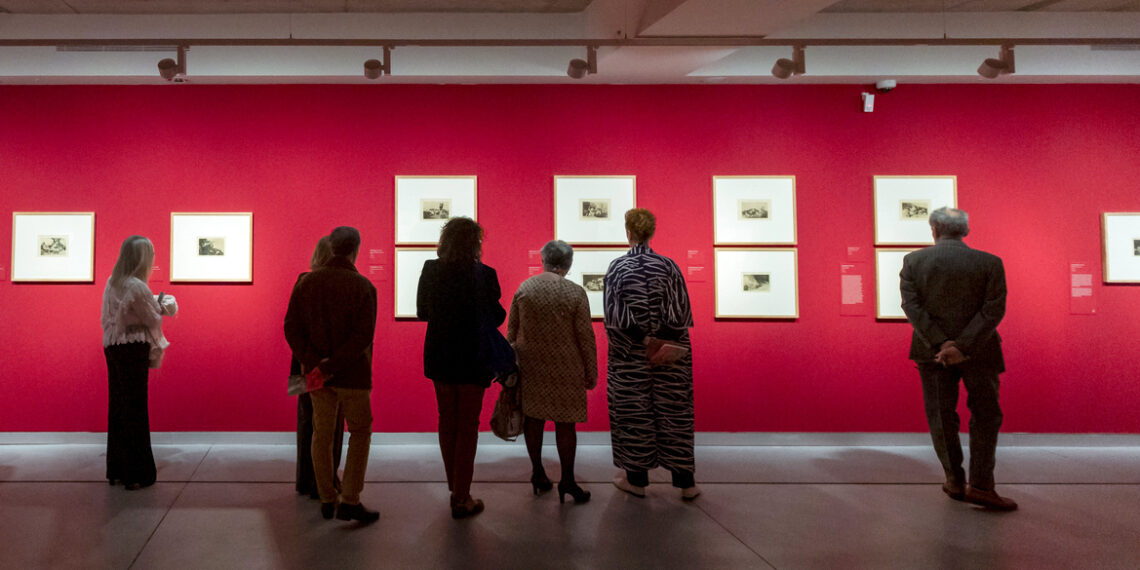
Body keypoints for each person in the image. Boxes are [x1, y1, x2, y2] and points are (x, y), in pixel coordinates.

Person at [900, 207, 1017, 511]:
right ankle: (981, 485)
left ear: (934, 230)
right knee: (986, 416)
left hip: (932, 352)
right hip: (981, 350)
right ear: (965, 230)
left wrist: (942, 343)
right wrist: (963, 346)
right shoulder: (990, 262)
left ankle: (954, 480)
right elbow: (994, 310)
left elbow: (911, 307)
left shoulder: (914, 261)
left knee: (941, 417)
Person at [284, 226, 380, 523]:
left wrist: (316, 363)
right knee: (360, 432)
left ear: (331, 246)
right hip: (352, 375)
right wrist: (333, 364)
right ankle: (350, 498)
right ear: (356, 249)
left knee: (321, 434)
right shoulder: (364, 287)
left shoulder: (307, 283)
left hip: (315, 374)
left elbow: (291, 328)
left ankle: (326, 496)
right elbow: (362, 337)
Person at [603, 208, 699, 500]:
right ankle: (686, 484)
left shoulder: (617, 268)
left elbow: (615, 317)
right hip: (671, 357)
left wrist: (644, 340)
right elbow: (681, 312)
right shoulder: (669, 266)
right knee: (675, 413)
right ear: (652, 232)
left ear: (628, 232)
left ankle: (637, 480)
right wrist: (662, 342)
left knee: (634, 415)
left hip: (630, 358)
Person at [417, 217, 505, 519]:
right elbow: (496, 317)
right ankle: (461, 495)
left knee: (447, 420)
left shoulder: (431, 270)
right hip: (473, 355)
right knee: (468, 425)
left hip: (441, 353)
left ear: (445, 240)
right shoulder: (485, 274)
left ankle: (454, 486)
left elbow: (421, 311)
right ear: (475, 243)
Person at [506, 240, 597, 504]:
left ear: (543, 260)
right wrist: (591, 370)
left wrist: (510, 368)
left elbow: (511, 332)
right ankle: (567, 480)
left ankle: (538, 473)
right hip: (567, 367)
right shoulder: (575, 293)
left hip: (532, 366)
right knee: (565, 424)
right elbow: (585, 337)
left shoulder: (526, 288)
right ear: (568, 264)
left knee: (533, 419)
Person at [101, 235, 178, 490]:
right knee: (136, 408)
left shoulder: (112, 283)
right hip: (133, 347)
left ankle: (117, 468)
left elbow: (109, 316)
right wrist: (161, 307)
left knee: (118, 407)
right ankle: (138, 472)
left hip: (113, 347)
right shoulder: (137, 286)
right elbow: (153, 319)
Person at [292, 236, 345, 500]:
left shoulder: (303, 281)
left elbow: (294, 325)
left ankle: (306, 480)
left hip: (303, 361)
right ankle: (327, 480)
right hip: (328, 362)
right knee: (331, 423)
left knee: (307, 419)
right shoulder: (334, 283)